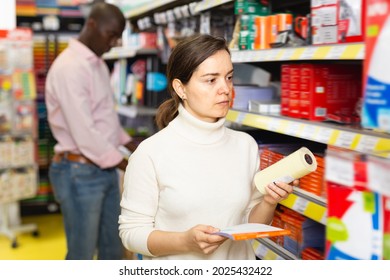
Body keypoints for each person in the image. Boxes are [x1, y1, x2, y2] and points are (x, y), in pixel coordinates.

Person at [118, 34, 297, 260]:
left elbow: (250, 225)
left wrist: (269, 202)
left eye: (229, 77)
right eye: (211, 80)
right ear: (180, 89)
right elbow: (131, 233)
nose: (225, 89)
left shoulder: (245, 145)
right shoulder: (151, 153)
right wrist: (185, 241)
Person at [45, 2, 137, 260]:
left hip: (102, 170)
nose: (114, 42)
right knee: (82, 254)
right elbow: (84, 131)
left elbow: (105, 119)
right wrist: (128, 164)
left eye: (118, 37)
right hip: (78, 172)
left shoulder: (95, 64)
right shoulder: (70, 67)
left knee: (113, 250)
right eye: (111, 35)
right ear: (92, 25)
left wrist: (131, 144)